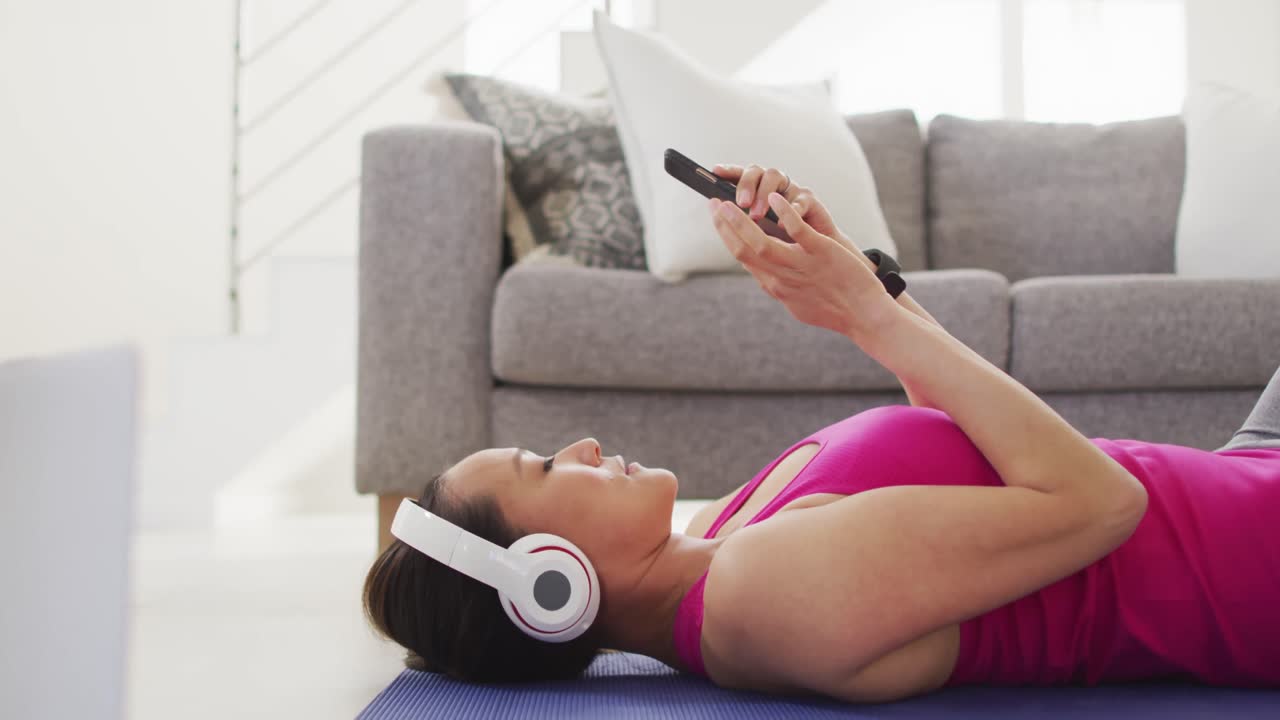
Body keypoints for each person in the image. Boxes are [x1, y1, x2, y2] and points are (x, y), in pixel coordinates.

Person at [362, 165, 1280, 701]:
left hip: (1241, 476)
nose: (585, 447)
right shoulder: (763, 598)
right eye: (546, 466)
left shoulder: (724, 546)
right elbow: (1101, 503)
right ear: (548, 583)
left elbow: (967, 464)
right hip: (1253, 564)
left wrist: (863, 287)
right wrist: (867, 322)